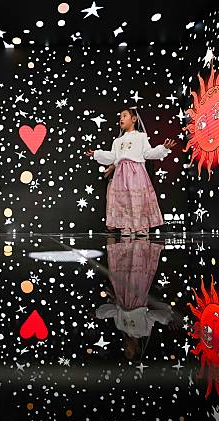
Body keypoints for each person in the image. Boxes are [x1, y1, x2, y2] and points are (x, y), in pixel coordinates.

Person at [84, 107, 176, 237]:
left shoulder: (141, 136)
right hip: (121, 174)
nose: (121, 119)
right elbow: (112, 156)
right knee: (123, 201)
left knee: (138, 200)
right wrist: (97, 154)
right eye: (120, 117)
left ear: (134, 119)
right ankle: (125, 226)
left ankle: (140, 226)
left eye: (124, 116)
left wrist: (163, 148)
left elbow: (148, 153)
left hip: (136, 172)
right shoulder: (117, 141)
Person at [95, 238, 180, 361]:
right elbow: (152, 315)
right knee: (135, 273)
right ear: (137, 349)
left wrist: (99, 314)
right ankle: (139, 240)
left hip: (121, 294)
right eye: (128, 352)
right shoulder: (144, 331)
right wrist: (167, 320)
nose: (125, 348)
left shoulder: (120, 326)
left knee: (116, 270)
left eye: (125, 351)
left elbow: (114, 310)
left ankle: (123, 238)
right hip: (137, 297)